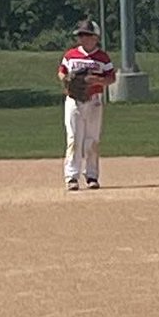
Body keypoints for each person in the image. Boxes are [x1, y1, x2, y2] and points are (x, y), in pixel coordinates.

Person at [58, 18, 117, 192]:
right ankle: (71, 177)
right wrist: (67, 80)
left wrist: (96, 81)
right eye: (81, 35)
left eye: (87, 35)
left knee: (92, 140)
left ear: (96, 37)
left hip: (94, 101)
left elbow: (111, 78)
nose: (83, 38)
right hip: (74, 100)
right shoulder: (71, 55)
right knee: (74, 139)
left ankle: (92, 175)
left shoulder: (102, 57)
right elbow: (61, 72)